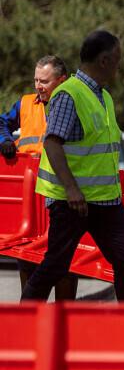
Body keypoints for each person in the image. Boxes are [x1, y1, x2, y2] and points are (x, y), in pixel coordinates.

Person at [21, 30, 124, 303]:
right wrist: (71, 189)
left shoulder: (105, 97)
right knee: (55, 267)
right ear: (104, 61)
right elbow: (52, 143)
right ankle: (22, 322)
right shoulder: (69, 95)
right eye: (117, 59)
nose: (119, 65)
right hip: (72, 203)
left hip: (107, 202)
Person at [1, 55, 79, 300]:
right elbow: (1, 123)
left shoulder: (74, 105)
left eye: (44, 81)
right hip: (30, 202)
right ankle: (31, 319)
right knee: (27, 260)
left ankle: (63, 318)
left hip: (61, 197)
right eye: (36, 80)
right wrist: (5, 141)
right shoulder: (25, 104)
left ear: (61, 81)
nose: (38, 86)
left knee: (65, 265)